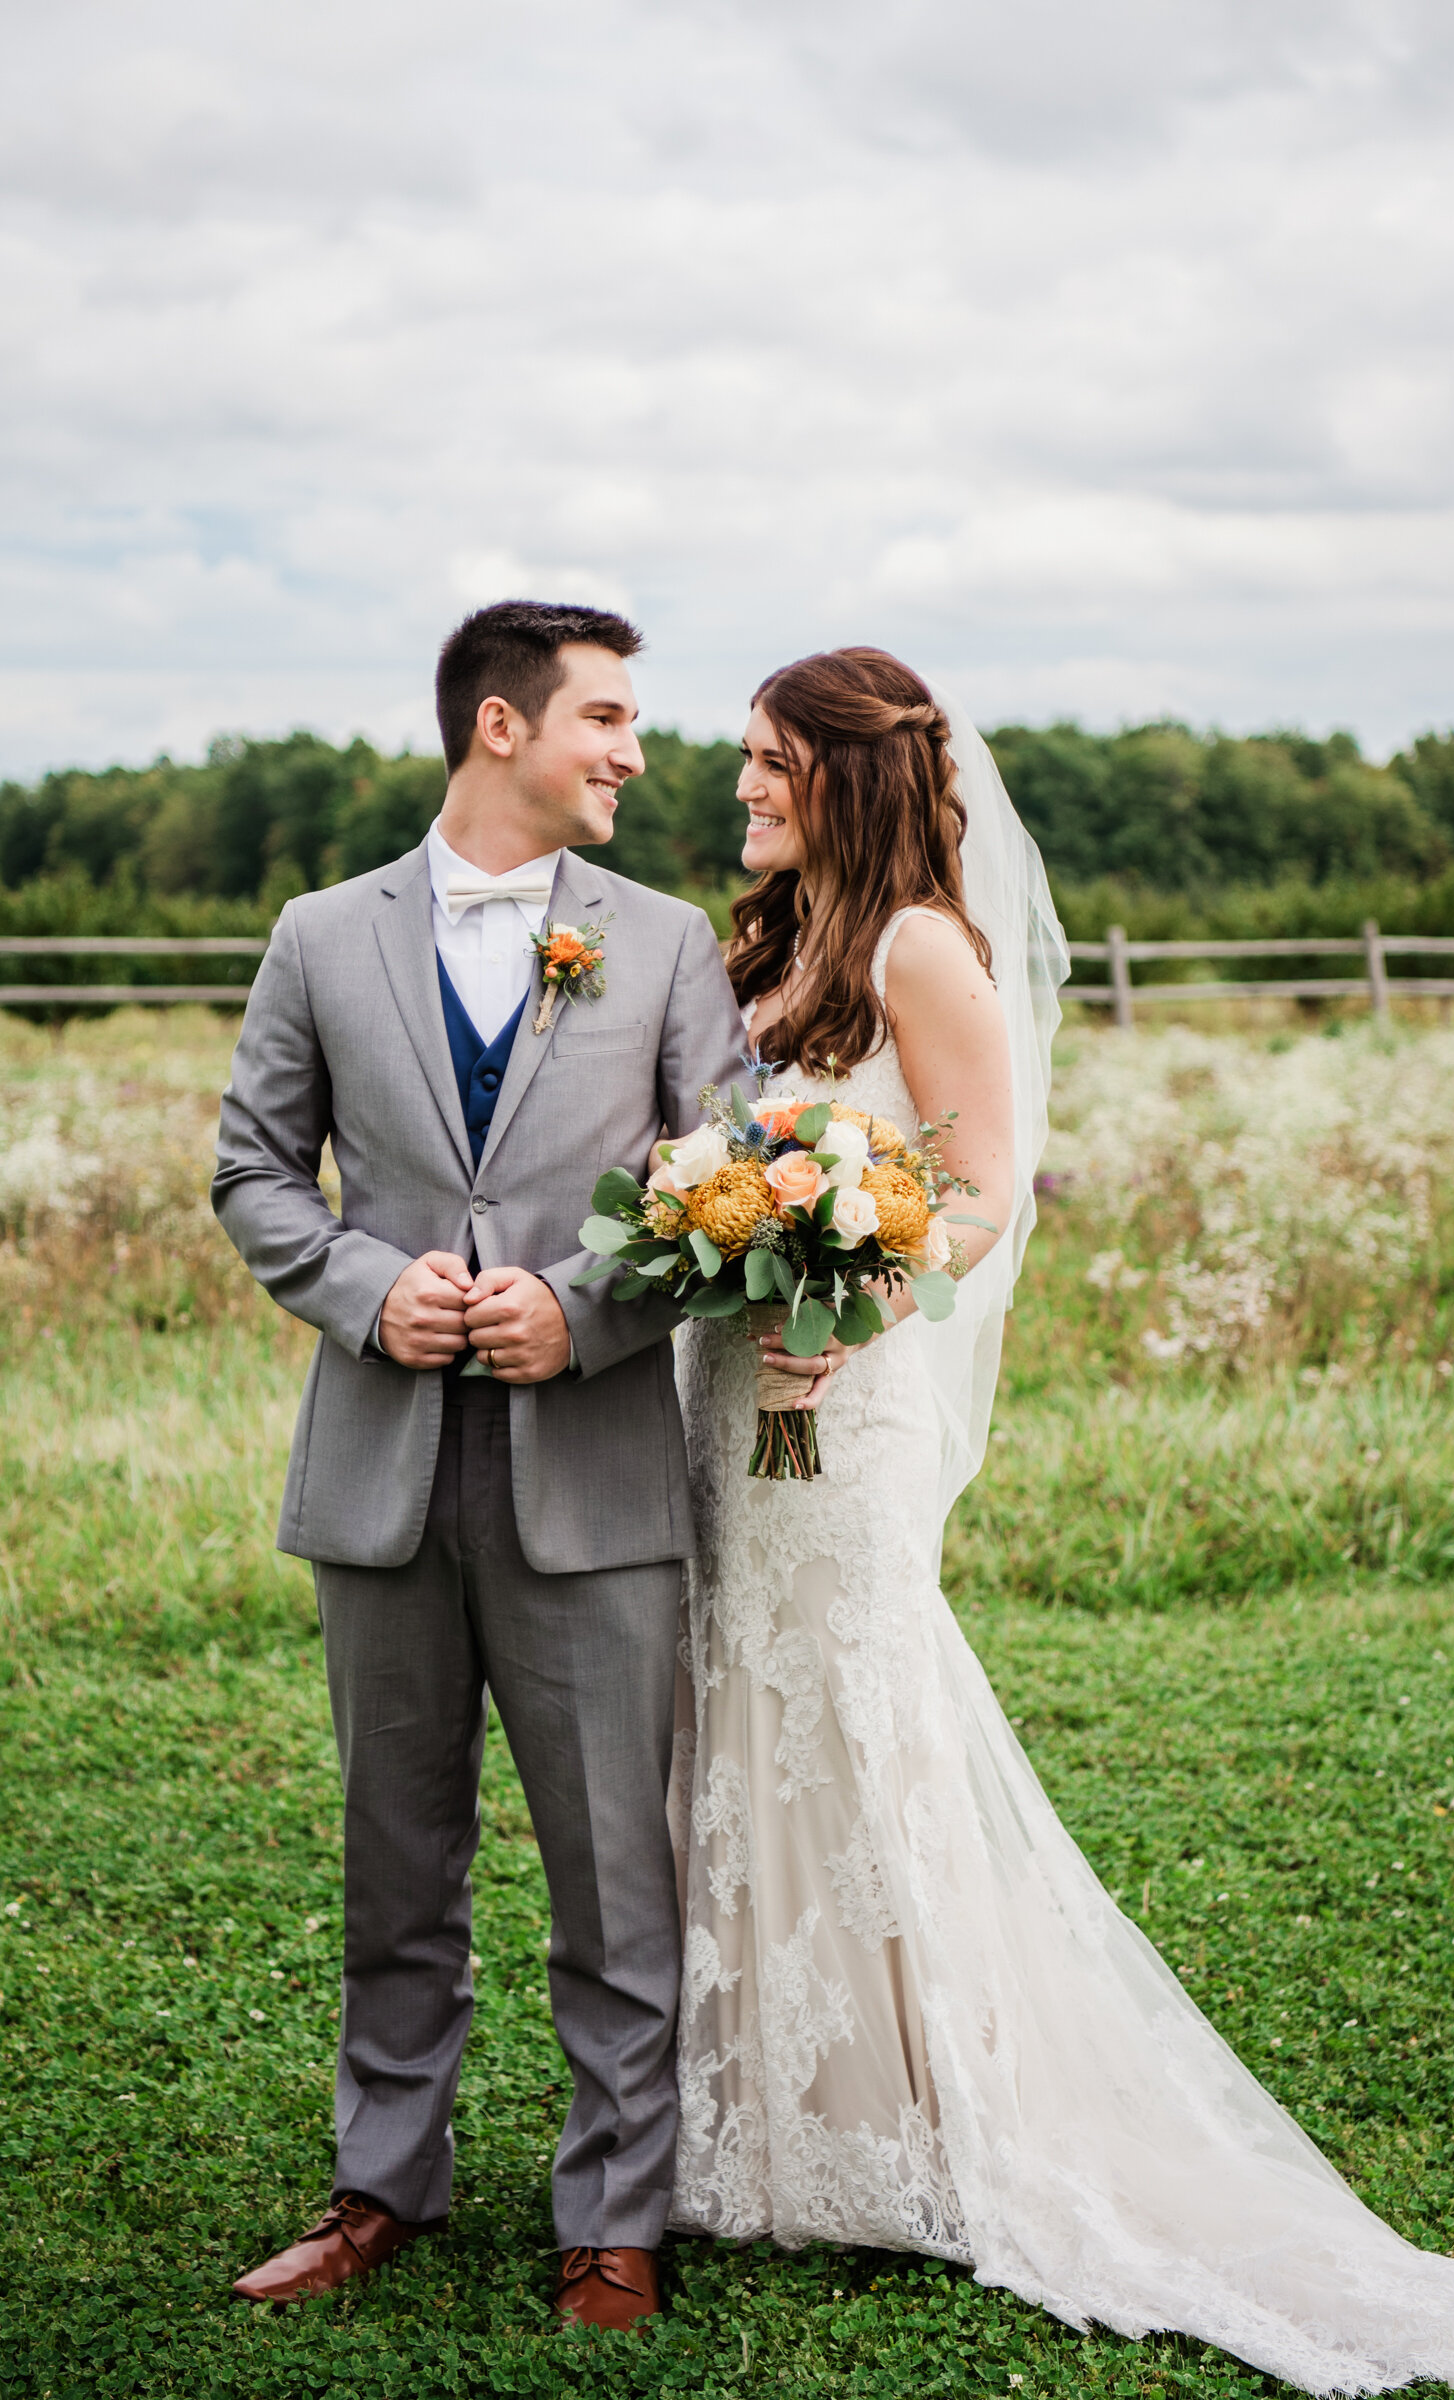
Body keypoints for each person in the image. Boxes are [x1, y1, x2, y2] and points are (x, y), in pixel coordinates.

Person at [667, 645, 1454, 2399]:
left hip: (834, 1406)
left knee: (858, 1724)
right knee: (744, 1713)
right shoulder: (772, 943)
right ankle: (769, 2125)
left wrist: (847, 1302)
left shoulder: (919, 947)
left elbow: (980, 1190)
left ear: (847, 773)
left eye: (767, 762)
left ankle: (932, 2119)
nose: (741, 789)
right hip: (731, 1403)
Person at [212, 600, 748, 2332]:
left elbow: (724, 1192)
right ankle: (381, 2188)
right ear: (500, 729)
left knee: (613, 1870)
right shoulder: (318, 934)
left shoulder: (665, 945)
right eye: (605, 716)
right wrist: (371, 1295)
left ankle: (615, 2219)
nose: (635, 750)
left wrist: (582, 1312)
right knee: (396, 1854)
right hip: (375, 1472)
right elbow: (254, 1175)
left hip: (589, 1478)